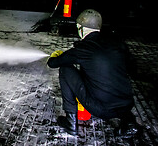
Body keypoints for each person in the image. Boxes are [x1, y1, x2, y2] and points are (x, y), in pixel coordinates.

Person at [47, 9, 138, 137]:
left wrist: (55, 56)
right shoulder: (118, 43)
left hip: (101, 108)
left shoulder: (84, 48)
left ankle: (71, 122)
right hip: (126, 104)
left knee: (65, 68)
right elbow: (133, 68)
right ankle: (129, 122)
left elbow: (52, 63)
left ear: (81, 28)